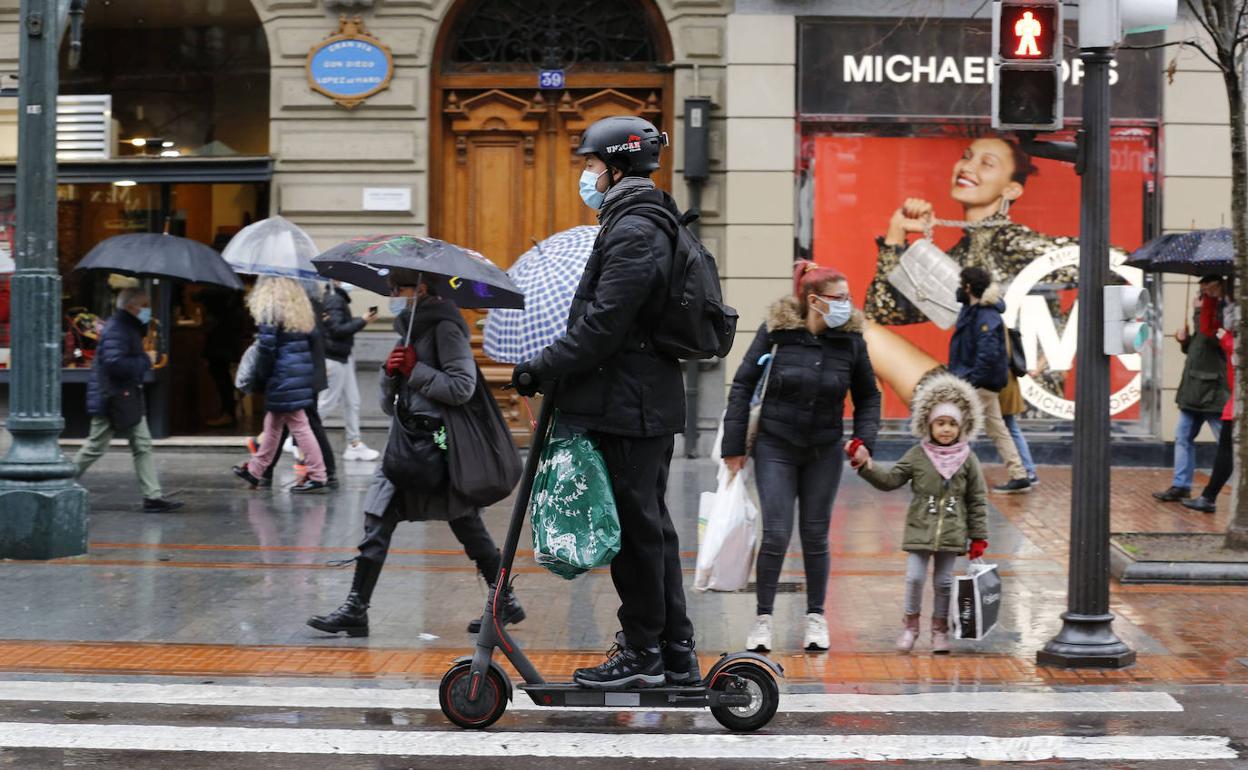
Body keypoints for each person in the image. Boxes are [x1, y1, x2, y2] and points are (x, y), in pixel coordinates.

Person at [509, 115, 698, 689]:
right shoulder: (634, 222)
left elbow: (604, 326)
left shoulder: (635, 230)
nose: (586, 176)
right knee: (648, 530)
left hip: (630, 404)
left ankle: (645, 652)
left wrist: (540, 366)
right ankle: (672, 651)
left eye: (591, 165)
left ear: (617, 167)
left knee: (639, 534)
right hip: (631, 399)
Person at [307, 278, 523, 638]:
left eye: (398, 289)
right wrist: (389, 374)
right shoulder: (406, 330)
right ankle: (356, 608)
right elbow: (388, 405)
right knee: (379, 517)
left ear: (420, 290)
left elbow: (460, 387)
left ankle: (505, 599)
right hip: (406, 445)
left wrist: (414, 370)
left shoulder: (444, 328)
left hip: (436, 448)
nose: (392, 296)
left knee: (466, 523)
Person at [721, 260, 881, 653]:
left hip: (824, 449)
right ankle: (763, 620)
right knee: (776, 534)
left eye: (848, 296)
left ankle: (815, 618)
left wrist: (865, 441)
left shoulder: (851, 341)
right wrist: (734, 447)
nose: (848, 304)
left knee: (815, 534)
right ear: (815, 300)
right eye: (839, 298)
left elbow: (868, 396)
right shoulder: (777, 333)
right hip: (776, 445)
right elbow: (742, 385)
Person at [856, 373, 989, 655]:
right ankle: (910, 626)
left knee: (943, 582)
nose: (946, 429)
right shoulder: (918, 454)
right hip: (920, 527)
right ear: (929, 424)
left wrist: (979, 538)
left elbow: (977, 499)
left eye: (952, 424)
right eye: (940, 423)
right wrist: (866, 466)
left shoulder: (968, 458)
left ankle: (940, 631)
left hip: (953, 531)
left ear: (961, 426)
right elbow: (891, 479)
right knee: (914, 577)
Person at [75, 287, 183, 512]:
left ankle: (152, 496)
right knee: (95, 446)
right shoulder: (119, 328)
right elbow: (115, 363)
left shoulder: (129, 327)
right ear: (130, 306)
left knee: (142, 444)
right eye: (144, 305)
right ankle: (58, 481)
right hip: (112, 396)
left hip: (126, 395)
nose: (148, 310)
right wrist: (145, 359)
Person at [231, 276, 328, 494]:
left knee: (300, 426)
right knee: (273, 425)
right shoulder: (300, 311)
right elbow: (312, 340)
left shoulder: (272, 310)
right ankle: (255, 470)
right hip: (297, 374)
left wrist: (261, 376)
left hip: (282, 376)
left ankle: (319, 475)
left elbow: (266, 348)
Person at [948, 266, 1031, 493]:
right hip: (976, 382)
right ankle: (1019, 474)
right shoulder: (972, 310)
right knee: (997, 429)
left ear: (968, 287)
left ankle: (953, 478)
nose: (958, 288)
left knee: (959, 430)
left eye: (961, 284)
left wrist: (973, 380)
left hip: (979, 384)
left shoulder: (987, 315)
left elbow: (988, 353)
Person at [1154, 275, 1230, 503]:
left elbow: (1214, 338)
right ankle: (1181, 485)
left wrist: (1201, 310)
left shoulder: (1224, 310)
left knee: (1226, 443)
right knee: (1183, 437)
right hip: (1193, 389)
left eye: (1207, 288)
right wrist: (1185, 342)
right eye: (1202, 288)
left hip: (1213, 391)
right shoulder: (1206, 311)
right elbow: (1200, 348)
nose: (1202, 293)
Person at [261, 282, 339, 489]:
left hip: (302, 376)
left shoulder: (302, 306)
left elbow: (311, 342)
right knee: (284, 424)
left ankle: (325, 472)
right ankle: (262, 470)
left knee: (305, 424)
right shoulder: (306, 304)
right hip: (305, 375)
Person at [1183, 300, 1237, 513]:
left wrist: (1226, 338)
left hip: (1235, 402)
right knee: (1226, 450)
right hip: (1234, 400)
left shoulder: (1231, 341)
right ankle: (1208, 497)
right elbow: (1206, 330)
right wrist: (1207, 303)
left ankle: (1208, 497)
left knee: (1227, 450)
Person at [320, 280, 380, 462]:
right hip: (335, 358)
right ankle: (295, 435)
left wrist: (360, 320)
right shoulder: (334, 300)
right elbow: (337, 330)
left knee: (353, 402)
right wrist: (362, 321)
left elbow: (336, 327)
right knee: (327, 403)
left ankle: (354, 444)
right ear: (335, 281)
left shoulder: (337, 299)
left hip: (342, 357)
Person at [1000, 370, 1040, 486]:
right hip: (1004, 384)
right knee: (1011, 428)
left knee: (1009, 428)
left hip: (998, 386)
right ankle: (1029, 471)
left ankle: (1028, 471)